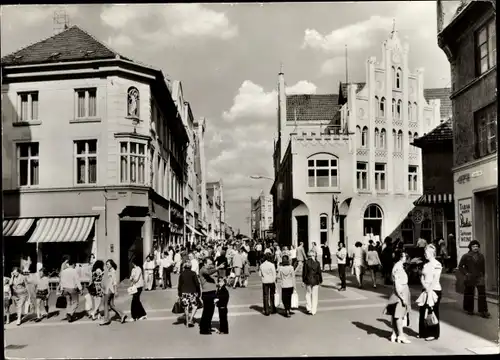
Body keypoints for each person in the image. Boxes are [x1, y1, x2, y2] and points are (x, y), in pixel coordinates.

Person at [458, 240, 491, 318]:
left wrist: (483, 275)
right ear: (470, 247)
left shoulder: (481, 256)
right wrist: (466, 273)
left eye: (477, 246)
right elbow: (460, 267)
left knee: (482, 294)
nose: (475, 248)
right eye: (473, 246)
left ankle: (483, 311)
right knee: (469, 293)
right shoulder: (466, 256)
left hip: (479, 277)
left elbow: (483, 268)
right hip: (470, 277)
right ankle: (469, 309)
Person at [385, 250, 412, 344]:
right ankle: (401, 335)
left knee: (395, 314)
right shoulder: (399, 267)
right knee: (399, 315)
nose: (404, 258)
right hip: (401, 292)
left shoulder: (398, 265)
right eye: (403, 256)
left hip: (399, 292)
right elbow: (397, 284)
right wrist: (402, 297)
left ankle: (394, 334)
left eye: (404, 256)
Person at [418, 244, 442, 341]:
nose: (425, 254)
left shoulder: (437, 264)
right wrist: (425, 286)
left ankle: (433, 333)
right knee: (422, 310)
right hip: (425, 289)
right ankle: (423, 333)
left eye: (426, 252)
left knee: (432, 311)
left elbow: (436, 279)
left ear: (432, 253)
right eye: (424, 252)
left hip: (434, 290)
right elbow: (422, 277)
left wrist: (429, 289)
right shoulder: (425, 264)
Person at [199, 257, 223, 334]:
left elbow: (210, 280)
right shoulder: (203, 270)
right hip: (207, 293)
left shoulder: (207, 270)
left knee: (211, 311)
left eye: (211, 264)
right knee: (207, 311)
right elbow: (209, 273)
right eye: (209, 264)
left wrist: (217, 285)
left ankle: (208, 326)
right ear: (205, 263)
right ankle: (204, 329)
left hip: (212, 293)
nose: (210, 265)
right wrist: (218, 267)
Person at [100, 259, 127, 326]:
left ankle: (106, 319)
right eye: (106, 264)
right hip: (109, 290)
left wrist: (116, 291)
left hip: (109, 290)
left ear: (111, 264)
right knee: (111, 305)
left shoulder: (112, 271)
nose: (107, 265)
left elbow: (114, 282)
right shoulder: (109, 271)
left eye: (108, 264)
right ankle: (122, 315)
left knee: (106, 304)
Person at [177, 262, 201, 327]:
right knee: (195, 306)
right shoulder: (193, 273)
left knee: (186, 307)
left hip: (184, 292)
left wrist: (179, 293)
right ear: (190, 267)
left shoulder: (182, 274)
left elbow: (180, 285)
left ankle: (187, 322)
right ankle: (191, 319)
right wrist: (199, 292)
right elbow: (197, 284)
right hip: (193, 292)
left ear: (184, 267)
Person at [302, 250, 322, 316]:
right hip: (316, 280)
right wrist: (320, 280)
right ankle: (314, 310)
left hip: (308, 280)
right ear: (314, 255)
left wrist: (303, 280)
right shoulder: (317, 263)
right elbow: (319, 272)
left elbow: (304, 272)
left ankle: (309, 308)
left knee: (308, 294)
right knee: (315, 295)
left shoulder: (306, 262)